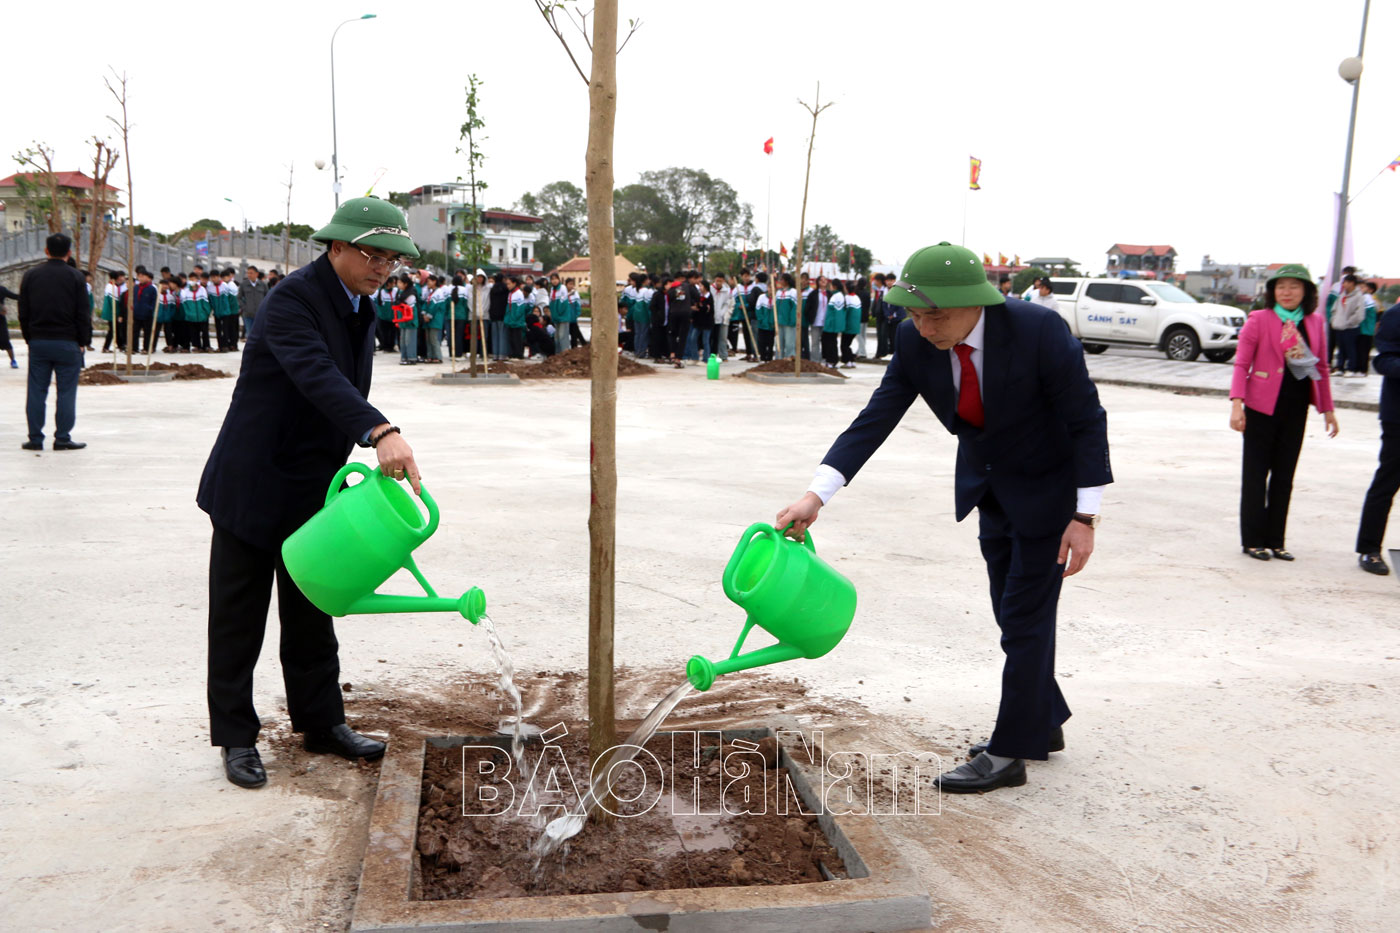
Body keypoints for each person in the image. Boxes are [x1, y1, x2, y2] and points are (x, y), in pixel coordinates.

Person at [775, 240, 1110, 793]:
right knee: (1012, 612)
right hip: (990, 489)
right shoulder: (914, 342)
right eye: (913, 312)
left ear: (975, 302)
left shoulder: (1038, 332)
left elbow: (1086, 421)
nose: (924, 326)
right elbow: (875, 418)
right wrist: (817, 495)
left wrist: (1085, 517)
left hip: (1051, 495)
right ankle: (1042, 720)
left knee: (1024, 619)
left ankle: (1010, 753)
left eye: (935, 314)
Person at [197, 197, 421, 790]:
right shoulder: (292, 299)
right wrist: (379, 430)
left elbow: (341, 381)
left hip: (311, 486)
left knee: (313, 608)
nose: (382, 268)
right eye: (373, 254)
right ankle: (237, 739)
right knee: (239, 618)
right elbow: (316, 372)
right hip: (255, 478)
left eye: (392, 260)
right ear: (337, 246)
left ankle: (322, 724)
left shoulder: (361, 306)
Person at [1229, 264, 1338, 561]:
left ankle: (1276, 541)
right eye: (1281, 287)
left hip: (1296, 407)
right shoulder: (1259, 320)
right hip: (1261, 407)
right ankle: (1252, 540)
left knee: (1284, 476)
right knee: (1255, 475)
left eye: (1294, 286)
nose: (1287, 292)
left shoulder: (1315, 323)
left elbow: (1321, 368)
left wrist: (1327, 409)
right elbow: (1241, 365)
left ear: (1306, 292)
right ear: (1273, 292)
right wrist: (1237, 404)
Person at [19, 234, 91, 451]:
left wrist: (29, 338)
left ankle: (35, 438)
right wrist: (83, 341)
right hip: (68, 342)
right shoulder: (76, 277)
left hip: (39, 341)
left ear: (46, 250)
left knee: (36, 391)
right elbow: (83, 313)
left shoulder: (31, 275)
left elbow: (23, 311)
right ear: (69, 253)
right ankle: (62, 438)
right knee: (67, 392)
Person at [1356, 296, 1399, 575]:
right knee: (1387, 483)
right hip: (1399, 417)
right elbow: (1382, 361)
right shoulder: (1396, 315)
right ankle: (1369, 550)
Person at [1330, 275, 1365, 377]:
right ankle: (1340, 368)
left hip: (1351, 327)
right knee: (1341, 349)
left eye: (1345, 282)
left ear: (1352, 283)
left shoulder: (1359, 296)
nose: (1344, 284)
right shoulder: (1342, 295)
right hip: (1339, 326)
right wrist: (1334, 320)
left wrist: (1349, 322)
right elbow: (1335, 308)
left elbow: (1359, 314)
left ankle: (1351, 368)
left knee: (1351, 348)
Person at [667, 270, 697, 368]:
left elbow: (669, 298)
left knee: (673, 334)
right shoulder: (688, 287)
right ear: (682, 278)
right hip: (685, 314)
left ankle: (672, 354)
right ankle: (678, 360)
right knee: (682, 337)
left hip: (674, 313)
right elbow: (697, 296)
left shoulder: (672, 288)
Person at [131, 268, 157, 353]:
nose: (140, 278)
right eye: (139, 276)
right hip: (136, 313)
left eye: (142, 276)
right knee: (135, 332)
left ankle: (146, 348)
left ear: (147, 277)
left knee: (147, 333)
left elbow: (154, 302)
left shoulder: (151, 288)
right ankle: (134, 348)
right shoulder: (135, 288)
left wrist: (150, 309)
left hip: (147, 314)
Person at [239, 265, 268, 340]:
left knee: (261, 334)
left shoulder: (263, 285)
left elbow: (267, 297)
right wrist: (244, 307)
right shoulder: (243, 285)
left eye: (251, 273)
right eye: (248, 273)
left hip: (260, 315)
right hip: (248, 314)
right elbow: (239, 298)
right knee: (250, 334)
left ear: (256, 274)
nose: (249, 275)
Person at [100, 270, 127, 352]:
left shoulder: (109, 285)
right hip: (112, 312)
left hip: (109, 311)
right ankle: (106, 347)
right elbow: (114, 302)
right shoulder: (113, 287)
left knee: (117, 329)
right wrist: (119, 313)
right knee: (112, 330)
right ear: (117, 278)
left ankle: (120, 345)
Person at [775, 272, 799, 359]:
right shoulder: (778, 292)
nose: (780, 281)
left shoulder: (793, 292)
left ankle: (790, 358)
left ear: (786, 281)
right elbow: (775, 307)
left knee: (789, 343)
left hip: (789, 322)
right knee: (778, 342)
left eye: (781, 279)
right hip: (779, 321)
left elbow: (795, 308)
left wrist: (793, 320)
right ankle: (778, 359)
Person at [709, 273, 732, 361]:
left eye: (720, 281)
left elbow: (727, 303)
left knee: (720, 337)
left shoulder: (727, 290)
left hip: (720, 317)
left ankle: (720, 355)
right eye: (717, 280)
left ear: (723, 281)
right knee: (710, 337)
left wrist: (721, 313)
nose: (718, 283)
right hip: (711, 316)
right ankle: (710, 354)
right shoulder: (711, 289)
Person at [1357, 281, 1379, 376]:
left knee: (1362, 351)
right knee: (1364, 350)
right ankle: (1363, 370)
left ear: (1370, 290)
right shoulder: (1374, 300)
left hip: (1365, 329)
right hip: (1368, 329)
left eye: (1363, 287)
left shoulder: (1366, 298)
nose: (1361, 289)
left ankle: (1362, 370)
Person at [752, 271, 773, 362]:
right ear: (767, 288)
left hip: (771, 326)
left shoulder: (776, 299)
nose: (771, 290)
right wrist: (762, 320)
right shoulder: (762, 297)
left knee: (770, 343)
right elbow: (758, 310)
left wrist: (772, 322)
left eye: (773, 288)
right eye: (770, 288)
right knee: (762, 342)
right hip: (762, 325)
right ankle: (763, 358)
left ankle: (770, 358)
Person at [1, 282, 22, 368]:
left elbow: (15, 296)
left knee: (5, 340)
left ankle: (13, 360)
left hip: (0, 320)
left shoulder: (1, 289)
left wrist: (27, 294)